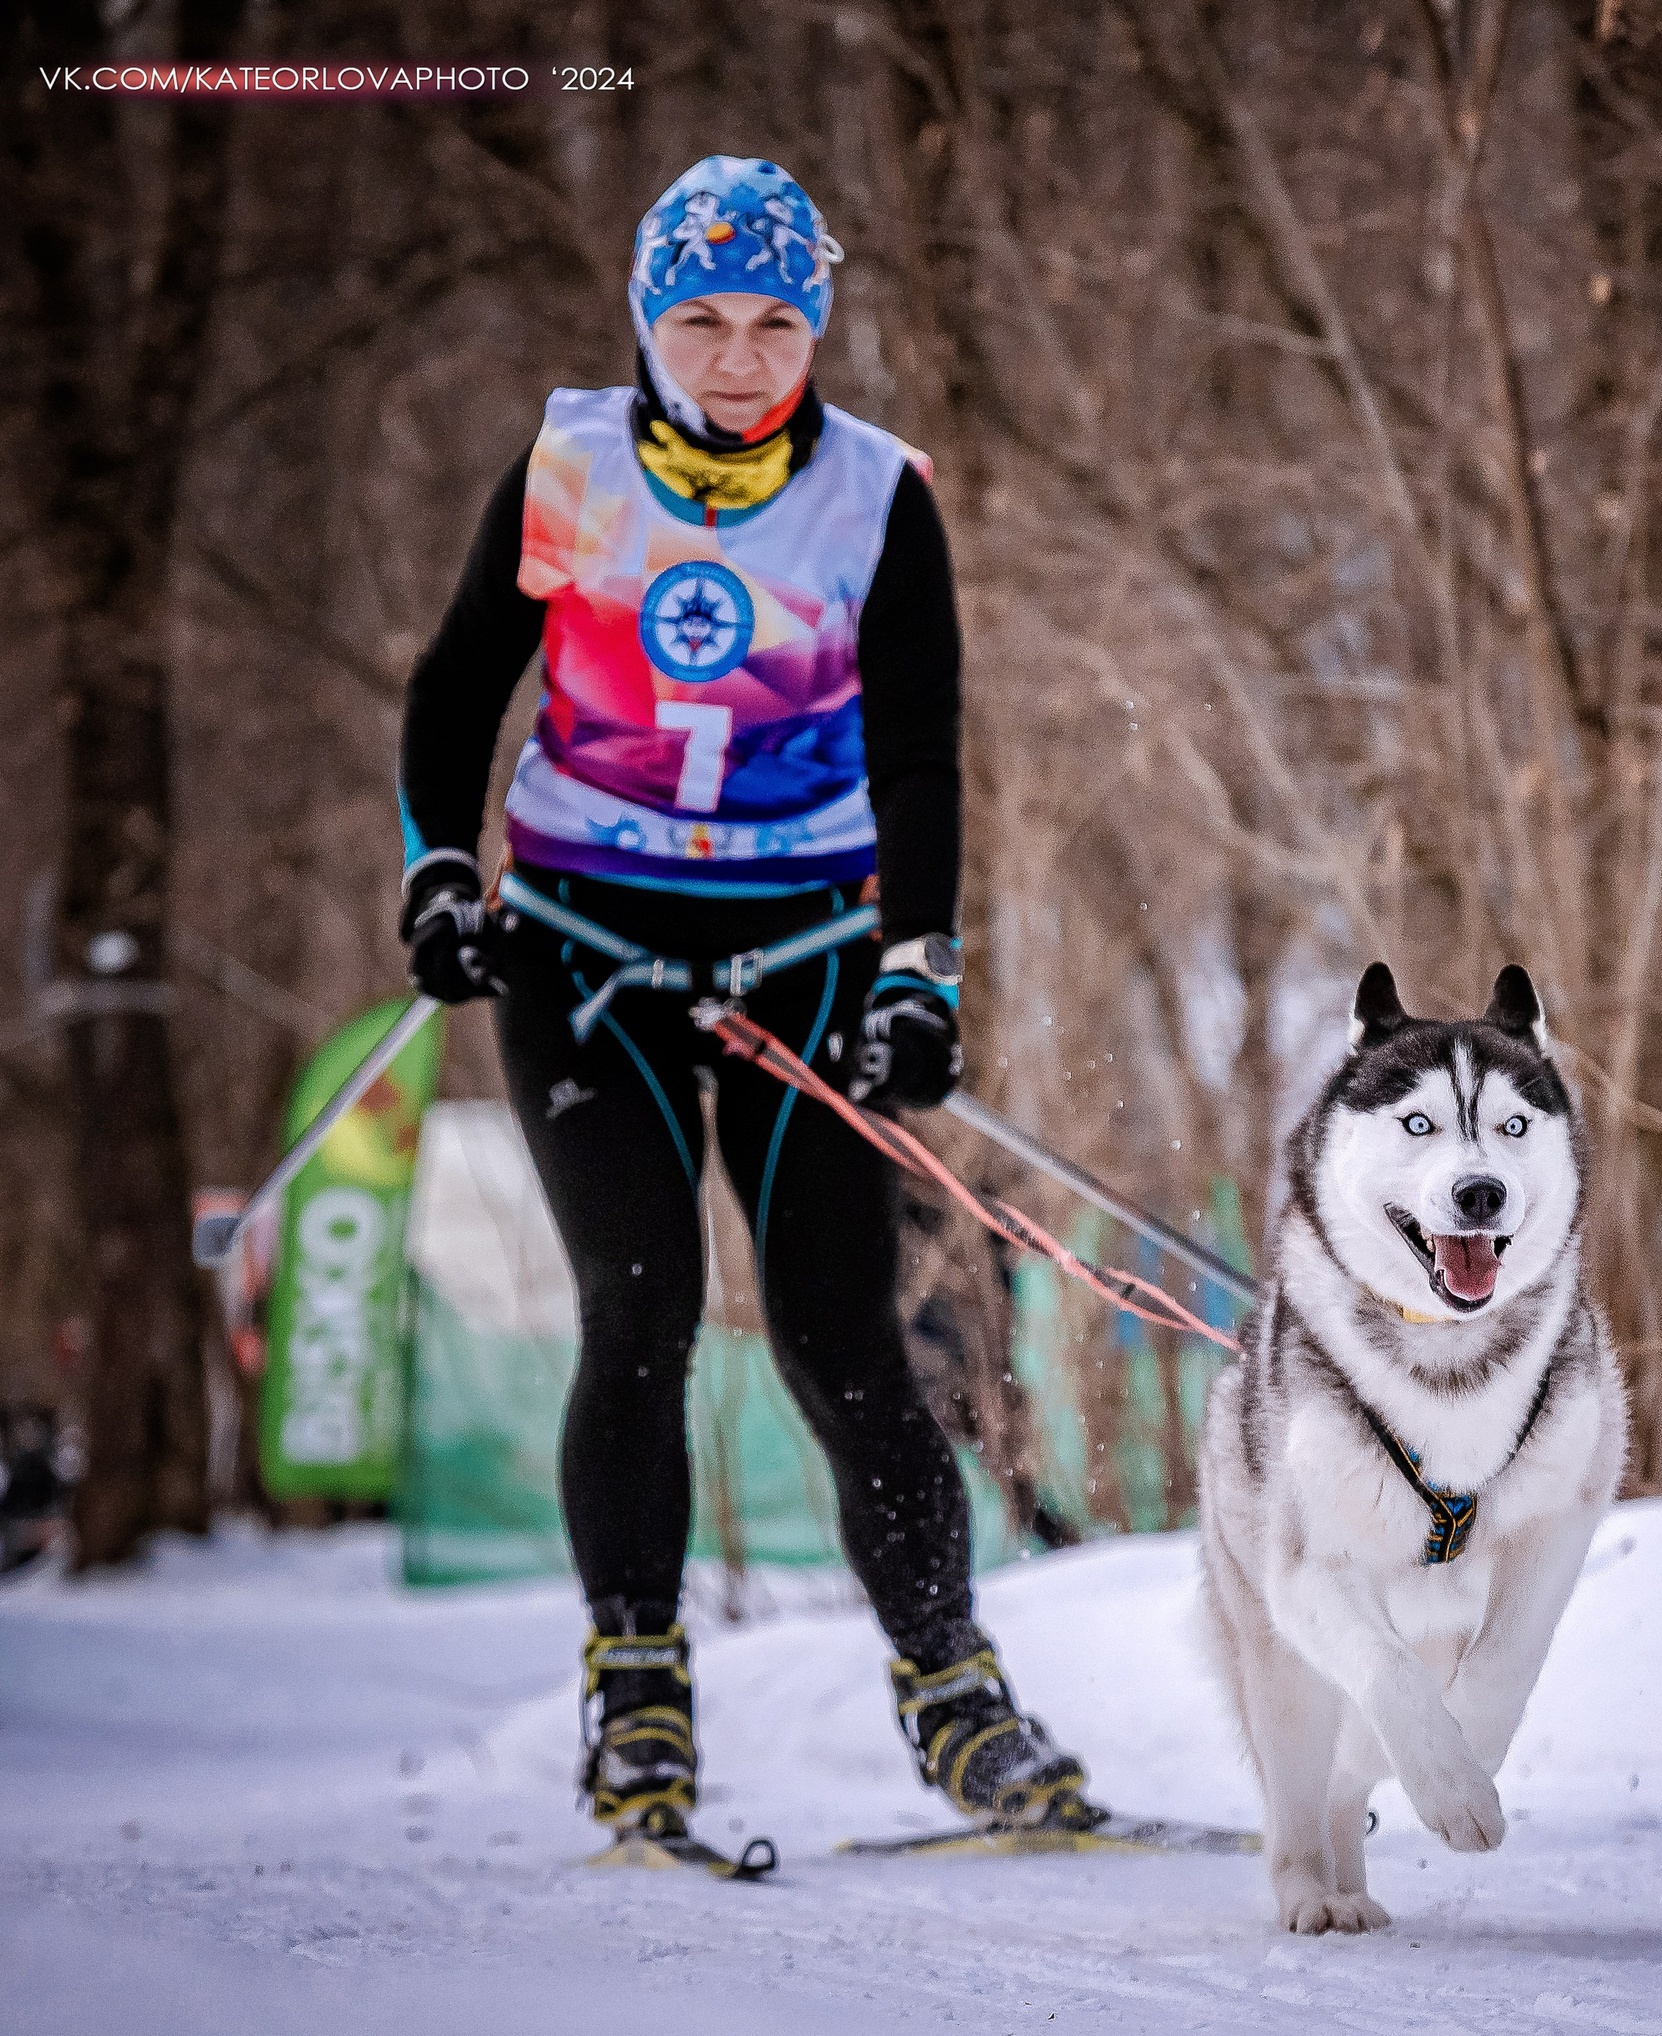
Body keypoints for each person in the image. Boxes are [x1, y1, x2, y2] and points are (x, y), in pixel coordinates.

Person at [395, 155, 1096, 1852]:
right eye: (701, 321)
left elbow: (919, 753)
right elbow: (457, 685)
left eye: (776, 323)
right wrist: (438, 875)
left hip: (803, 948)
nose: (737, 359)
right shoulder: (571, 465)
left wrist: (919, 967)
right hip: (585, 948)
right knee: (636, 1310)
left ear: (817, 328)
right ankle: (639, 1696)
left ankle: (958, 1698)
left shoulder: (875, 495)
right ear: (649, 320)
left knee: (840, 1335)